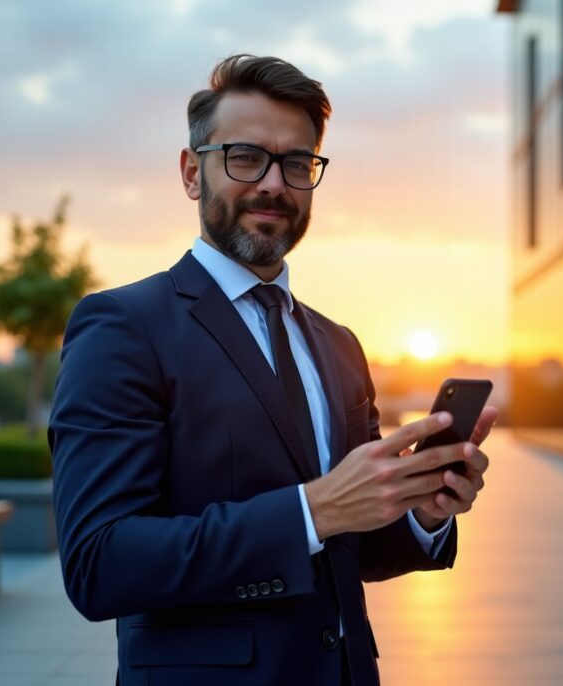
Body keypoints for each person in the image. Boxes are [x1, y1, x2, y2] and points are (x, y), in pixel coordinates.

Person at [49, 54, 497, 686]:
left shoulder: (339, 345)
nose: (273, 184)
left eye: (296, 163)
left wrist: (421, 512)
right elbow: (99, 564)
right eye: (245, 157)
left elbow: (353, 547)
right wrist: (312, 511)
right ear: (191, 172)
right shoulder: (123, 326)